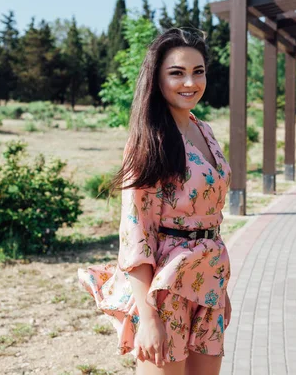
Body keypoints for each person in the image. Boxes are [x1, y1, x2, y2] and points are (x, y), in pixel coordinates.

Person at [78, 28, 232, 375]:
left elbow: (210, 220)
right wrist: (147, 319)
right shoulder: (149, 141)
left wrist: (222, 291)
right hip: (164, 291)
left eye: (198, 71)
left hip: (209, 281)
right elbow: (137, 235)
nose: (189, 82)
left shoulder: (204, 129)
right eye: (176, 73)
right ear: (157, 78)